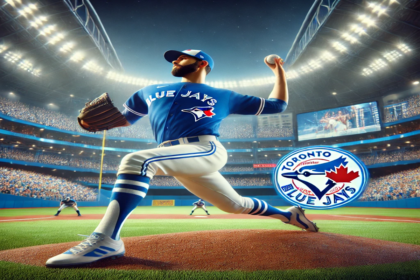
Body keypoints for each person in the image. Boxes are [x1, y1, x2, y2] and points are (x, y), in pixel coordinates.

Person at [46, 49, 318, 267]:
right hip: (174, 155)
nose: (175, 59)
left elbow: (277, 105)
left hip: (204, 149)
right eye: (174, 57)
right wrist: (93, 123)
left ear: (202, 64)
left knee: (137, 160)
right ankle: (288, 215)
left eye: (182, 56)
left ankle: (106, 239)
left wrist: (279, 71)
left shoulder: (225, 95)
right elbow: (125, 119)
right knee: (234, 205)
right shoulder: (147, 91)